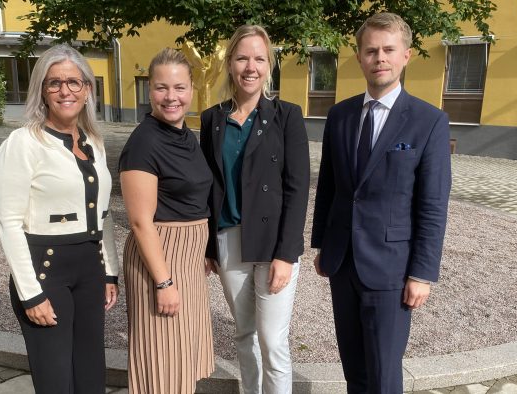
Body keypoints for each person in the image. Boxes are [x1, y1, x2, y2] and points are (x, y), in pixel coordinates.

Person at [311, 12, 452, 394]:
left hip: (391, 270)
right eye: (371, 50)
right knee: (353, 368)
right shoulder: (339, 116)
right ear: (359, 57)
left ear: (406, 55)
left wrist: (422, 273)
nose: (380, 58)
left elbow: (433, 205)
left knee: (384, 373)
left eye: (389, 49)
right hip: (343, 264)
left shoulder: (429, 122)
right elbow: (330, 185)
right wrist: (323, 244)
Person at [0, 44, 119, 394]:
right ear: (42, 91)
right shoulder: (22, 144)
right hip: (46, 270)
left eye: (74, 82)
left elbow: (104, 214)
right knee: (56, 380)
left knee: (91, 374)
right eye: (54, 83)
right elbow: (9, 222)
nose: (65, 91)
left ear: (88, 89)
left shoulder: (94, 141)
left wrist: (109, 270)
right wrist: (31, 295)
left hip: (90, 270)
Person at [200, 25, 310, 394]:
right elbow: (209, 187)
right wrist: (208, 246)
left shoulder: (287, 116)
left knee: (272, 340)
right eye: (242, 57)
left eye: (259, 59)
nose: (251, 66)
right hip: (229, 240)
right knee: (244, 334)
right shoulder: (212, 119)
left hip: (272, 244)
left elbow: (297, 189)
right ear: (230, 63)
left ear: (269, 66)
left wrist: (286, 253)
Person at [118, 48, 215, 394]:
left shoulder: (187, 136)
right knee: (161, 362)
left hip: (187, 260)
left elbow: (193, 199)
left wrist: (203, 250)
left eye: (179, 87)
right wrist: (163, 282)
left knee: (181, 358)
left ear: (192, 90)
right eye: (161, 88)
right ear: (149, 91)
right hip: (160, 259)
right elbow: (141, 221)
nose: (171, 97)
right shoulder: (144, 143)